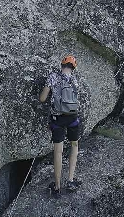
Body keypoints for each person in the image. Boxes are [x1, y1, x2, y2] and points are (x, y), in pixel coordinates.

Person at [38, 55, 83, 196]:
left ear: (62, 64)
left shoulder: (52, 76)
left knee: (58, 151)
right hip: (72, 118)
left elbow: (42, 98)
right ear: (73, 67)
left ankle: (57, 187)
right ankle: (70, 180)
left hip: (57, 119)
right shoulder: (75, 80)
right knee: (74, 146)